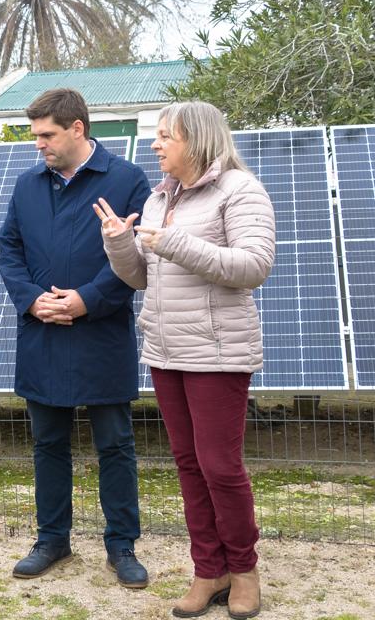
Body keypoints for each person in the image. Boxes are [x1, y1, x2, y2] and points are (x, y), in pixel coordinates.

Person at [97, 100, 274, 619]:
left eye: (164, 135)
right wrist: (119, 245)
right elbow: (142, 278)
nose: (155, 144)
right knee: (190, 466)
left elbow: (253, 266)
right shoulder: (158, 198)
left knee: (221, 466)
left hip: (218, 352)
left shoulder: (240, 191)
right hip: (166, 349)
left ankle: (244, 572)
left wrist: (173, 243)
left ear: (196, 140)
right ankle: (208, 569)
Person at [0, 89, 152, 585]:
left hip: (101, 333)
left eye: (47, 135)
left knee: (115, 444)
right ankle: (52, 539)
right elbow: (9, 250)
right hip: (42, 331)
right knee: (47, 443)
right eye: (35, 135)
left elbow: (137, 259)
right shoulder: (27, 186)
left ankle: (122, 544)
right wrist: (30, 298)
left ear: (78, 129)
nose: (38, 144)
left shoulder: (127, 180)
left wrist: (88, 299)